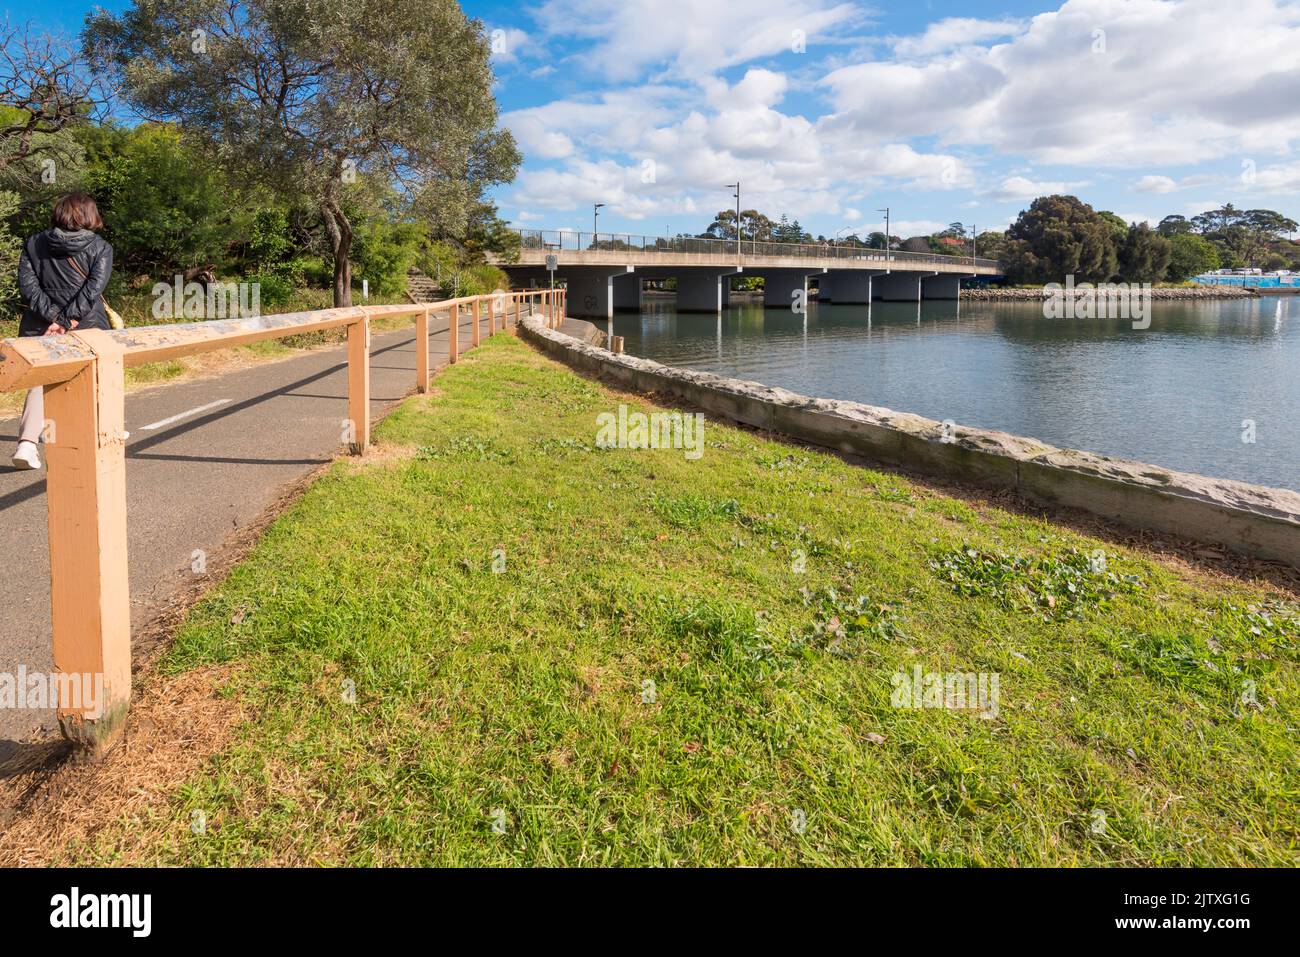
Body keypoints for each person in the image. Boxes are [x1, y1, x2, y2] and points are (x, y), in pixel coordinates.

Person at [12, 193, 114, 470]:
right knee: (97, 375)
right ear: (90, 215)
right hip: (87, 325)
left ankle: (28, 444)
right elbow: (94, 289)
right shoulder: (100, 247)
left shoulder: (33, 244)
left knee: (42, 380)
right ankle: (105, 430)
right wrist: (68, 321)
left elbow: (29, 289)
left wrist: (53, 320)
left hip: (40, 325)